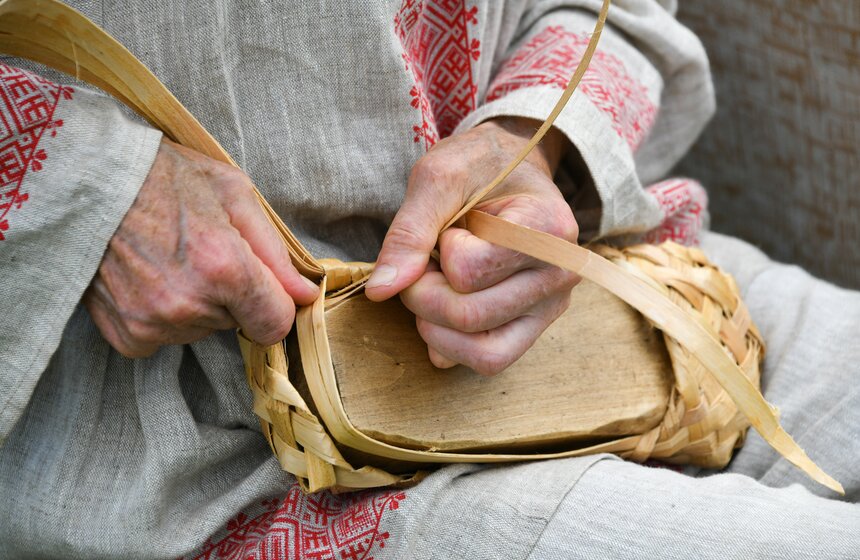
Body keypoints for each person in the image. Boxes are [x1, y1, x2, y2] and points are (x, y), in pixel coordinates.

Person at [0, 1, 857, 558]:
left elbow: (614, 12)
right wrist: (90, 190)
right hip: (207, 451)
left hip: (604, 296)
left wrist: (528, 139)